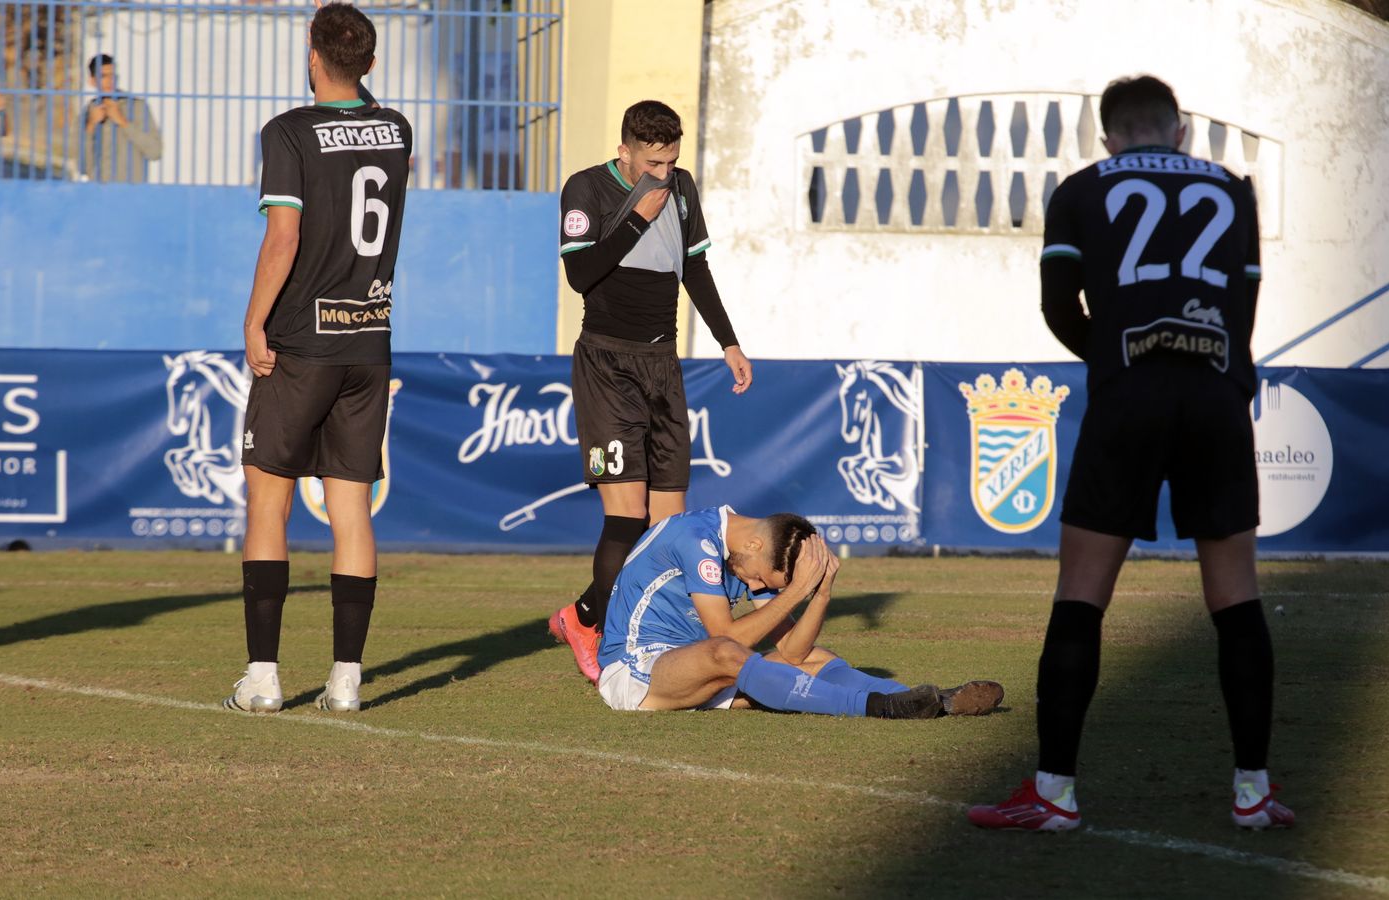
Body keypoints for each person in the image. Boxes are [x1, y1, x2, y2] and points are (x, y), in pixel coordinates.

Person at [968, 75, 1292, 832]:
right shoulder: (1232, 188)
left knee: (1082, 592)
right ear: (1179, 132)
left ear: (1109, 136)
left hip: (1129, 393)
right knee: (1237, 596)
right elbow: (1243, 309)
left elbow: (1057, 306)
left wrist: (1114, 359)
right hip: (1214, 393)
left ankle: (1054, 792)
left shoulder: (1082, 188)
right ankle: (1253, 792)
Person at [224, 2, 412, 714]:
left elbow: (284, 239)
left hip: (301, 341)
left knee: (267, 504)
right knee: (351, 511)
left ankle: (264, 680)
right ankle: (345, 684)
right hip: (369, 339)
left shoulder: (287, 132)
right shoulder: (396, 129)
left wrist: (254, 320)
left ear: (311, 56)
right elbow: (364, 121)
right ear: (368, 61)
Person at [548, 100, 754, 683]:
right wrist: (637, 215)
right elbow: (581, 276)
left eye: (671, 161)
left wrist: (729, 342)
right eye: (652, 162)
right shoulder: (586, 189)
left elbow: (696, 270)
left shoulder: (682, 188)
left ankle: (590, 618)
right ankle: (598, 631)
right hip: (607, 365)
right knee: (627, 517)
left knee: (672, 526)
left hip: (663, 366)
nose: (663, 173)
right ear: (626, 152)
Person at [595, 505, 1004, 718]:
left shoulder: (748, 551)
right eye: (768, 582)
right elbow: (724, 638)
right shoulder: (695, 540)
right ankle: (879, 708)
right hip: (635, 673)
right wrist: (796, 593)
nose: (761, 588)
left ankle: (935, 700)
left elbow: (792, 650)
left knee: (818, 658)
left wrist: (821, 594)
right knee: (727, 653)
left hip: (694, 671)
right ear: (756, 547)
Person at [78, 53, 162, 183]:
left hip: (131, 193)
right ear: (92, 81)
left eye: (113, 76)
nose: (110, 81)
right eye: (103, 76)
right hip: (98, 193)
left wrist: (123, 122)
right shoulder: (88, 112)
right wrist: (91, 125)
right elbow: (81, 166)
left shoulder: (137, 107)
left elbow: (155, 152)